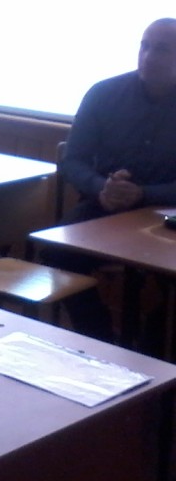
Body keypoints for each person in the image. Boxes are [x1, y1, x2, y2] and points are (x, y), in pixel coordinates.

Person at [44, 18, 176, 341]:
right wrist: (100, 187)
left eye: (161, 49)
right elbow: (72, 160)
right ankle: (100, 339)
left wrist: (143, 194)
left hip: (166, 214)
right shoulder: (103, 93)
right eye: (144, 46)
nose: (148, 56)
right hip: (103, 206)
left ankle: (153, 350)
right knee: (55, 252)